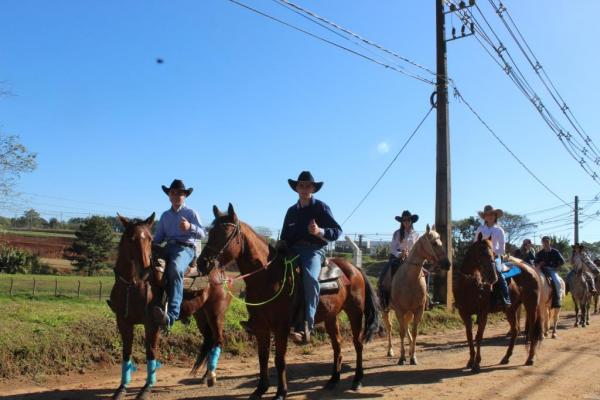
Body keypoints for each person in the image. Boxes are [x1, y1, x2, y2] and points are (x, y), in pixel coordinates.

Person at [280, 171, 342, 344]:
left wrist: (319, 231)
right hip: (293, 250)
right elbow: (284, 236)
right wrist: (280, 246)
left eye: (308, 186)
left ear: (313, 188)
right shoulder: (291, 211)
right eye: (301, 185)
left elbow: (337, 231)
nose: (304, 188)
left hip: (313, 250)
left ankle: (307, 324)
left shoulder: (321, 207)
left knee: (309, 278)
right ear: (296, 188)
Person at [152, 179, 207, 330]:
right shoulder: (165, 216)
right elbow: (158, 238)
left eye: (180, 193)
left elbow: (203, 233)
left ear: (185, 196)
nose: (176, 196)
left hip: (186, 249)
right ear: (169, 196)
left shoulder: (191, 213)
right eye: (173, 193)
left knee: (175, 269)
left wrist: (190, 227)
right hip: (168, 247)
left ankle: (172, 315)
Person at [377, 210, 420, 309]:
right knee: (386, 271)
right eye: (404, 220)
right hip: (397, 258)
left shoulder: (416, 234)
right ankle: (385, 296)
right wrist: (400, 254)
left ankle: (425, 297)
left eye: (408, 220)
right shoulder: (397, 233)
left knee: (424, 273)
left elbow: (416, 248)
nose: (406, 222)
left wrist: (410, 254)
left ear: (411, 221)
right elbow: (393, 248)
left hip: (412, 259)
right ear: (402, 222)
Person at [474, 205, 511, 307]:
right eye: (487, 215)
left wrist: (492, 254)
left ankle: (506, 298)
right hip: (481, 257)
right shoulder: (480, 229)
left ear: (495, 216)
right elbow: (475, 243)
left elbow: (502, 248)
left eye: (492, 214)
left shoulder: (499, 230)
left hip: (495, 257)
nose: (489, 216)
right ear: (484, 217)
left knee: (498, 272)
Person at [534, 236, 565, 308]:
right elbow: (535, 263)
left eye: (547, 242)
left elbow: (562, 261)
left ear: (549, 242)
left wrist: (557, 267)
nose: (545, 243)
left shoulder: (555, 252)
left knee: (557, 281)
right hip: (541, 270)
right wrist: (539, 264)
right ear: (542, 243)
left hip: (551, 270)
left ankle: (557, 299)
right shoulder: (539, 253)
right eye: (544, 242)